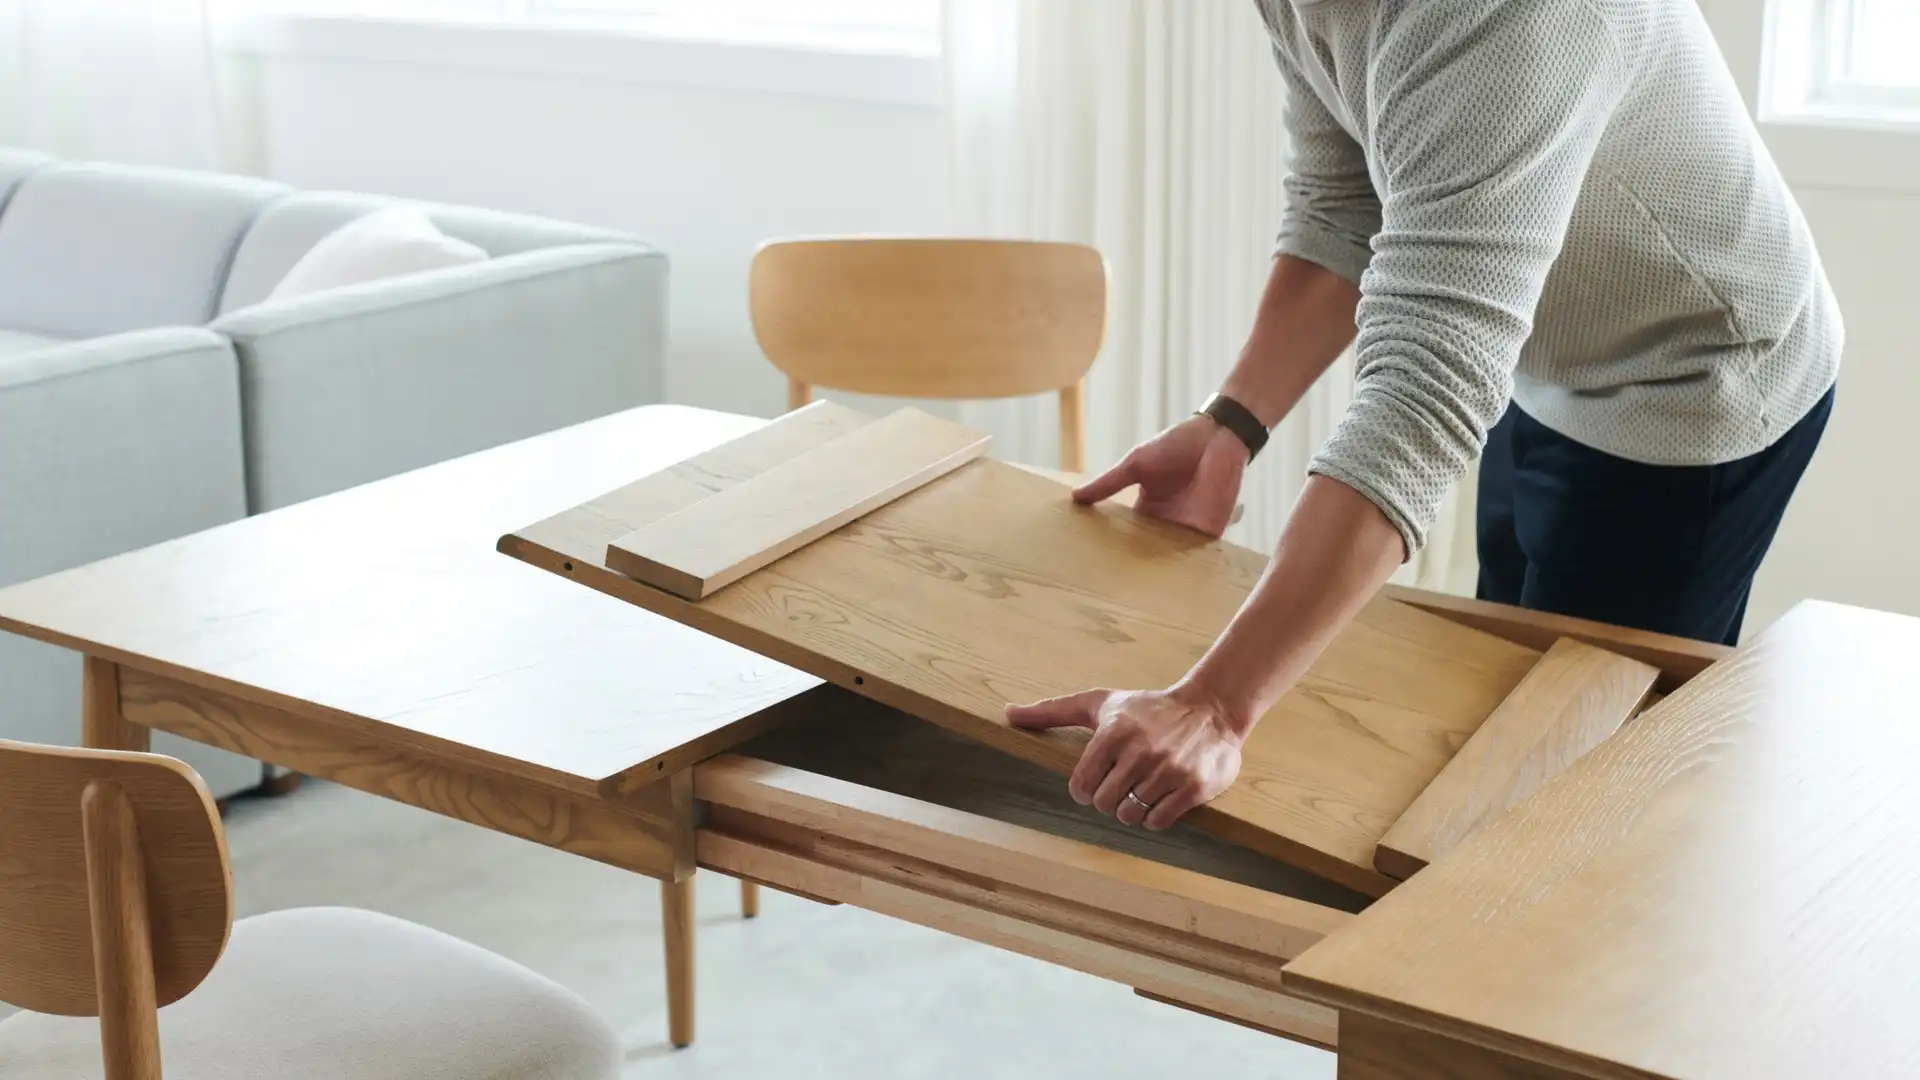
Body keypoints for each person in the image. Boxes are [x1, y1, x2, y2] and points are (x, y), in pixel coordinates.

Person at [1005, 0, 1842, 832]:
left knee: (1577, 786)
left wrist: (1217, 707)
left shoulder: (1517, 18)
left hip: (1699, 377)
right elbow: (1344, 206)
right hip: (1554, 354)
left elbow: (1428, 384)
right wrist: (1234, 421)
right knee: (1493, 705)